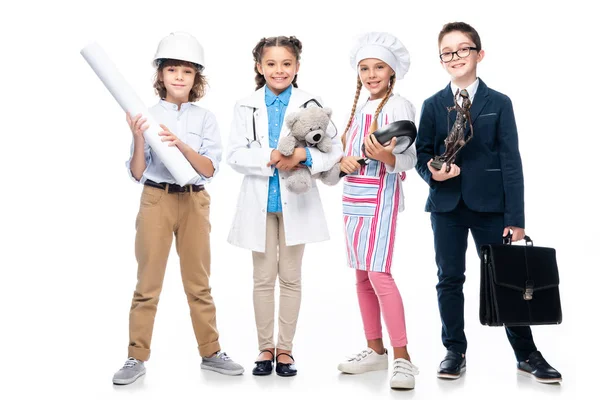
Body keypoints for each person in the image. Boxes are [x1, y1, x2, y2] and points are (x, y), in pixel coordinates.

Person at [415, 22, 562, 383]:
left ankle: (526, 353)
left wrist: (516, 217)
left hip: (491, 208)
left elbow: (512, 162)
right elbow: (422, 155)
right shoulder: (433, 105)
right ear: (441, 60)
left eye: (463, 49)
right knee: (449, 278)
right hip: (446, 206)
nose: (455, 57)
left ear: (479, 54)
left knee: (507, 279)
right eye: (447, 52)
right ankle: (454, 350)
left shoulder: (499, 103)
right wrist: (433, 172)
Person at [112, 32, 243, 385]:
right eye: (172, 70)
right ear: (161, 75)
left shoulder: (206, 118)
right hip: (156, 200)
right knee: (148, 283)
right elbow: (138, 172)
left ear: (196, 77)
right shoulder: (146, 114)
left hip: (195, 201)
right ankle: (135, 356)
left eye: (187, 71)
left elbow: (210, 169)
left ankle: (211, 352)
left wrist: (180, 144)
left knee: (198, 283)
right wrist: (140, 135)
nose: (179, 77)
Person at [226, 35, 343, 377]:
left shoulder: (311, 104)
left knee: (290, 277)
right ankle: (265, 348)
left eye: (286, 63)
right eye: (272, 63)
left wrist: (304, 156)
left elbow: (333, 151)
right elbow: (234, 154)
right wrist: (270, 157)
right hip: (260, 203)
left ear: (297, 67)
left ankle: (286, 350)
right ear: (259, 67)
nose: (279, 70)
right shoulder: (245, 105)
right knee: (263, 278)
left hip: (298, 201)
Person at [335, 32, 419, 390]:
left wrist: (386, 156)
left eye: (378, 67)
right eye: (365, 68)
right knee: (361, 276)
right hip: (353, 198)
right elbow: (343, 157)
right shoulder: (357, 110)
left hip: (380, 199)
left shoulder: (398, 106)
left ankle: (403, 358)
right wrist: (344, 161)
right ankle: (375, 351)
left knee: (379, 275)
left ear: (391, 71)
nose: (371, 74)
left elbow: (410, 158)